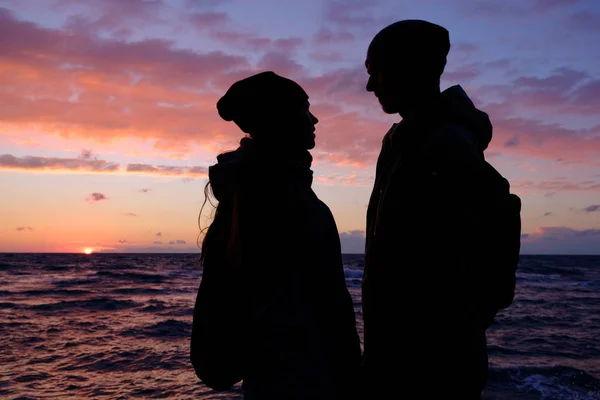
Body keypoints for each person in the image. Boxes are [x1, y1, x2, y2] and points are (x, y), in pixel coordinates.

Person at [361, 20, 520, 399]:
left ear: (406, 69)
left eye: (375, 72)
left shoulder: (446, 141)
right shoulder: (404, 137)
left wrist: (462, 321)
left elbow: (498, 223)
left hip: (431, 367)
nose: (370, 86)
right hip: (401, 357)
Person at [190, 71, 362, 400]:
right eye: (304, 109)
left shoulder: (269, 192)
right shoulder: (278, 199)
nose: (314, 118)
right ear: (280, 118)